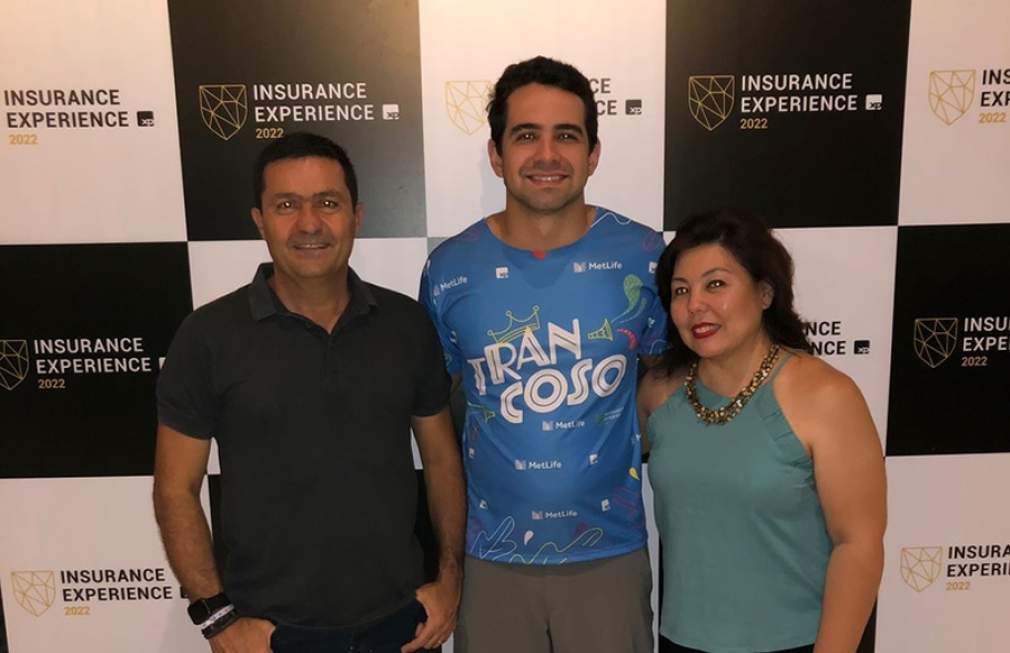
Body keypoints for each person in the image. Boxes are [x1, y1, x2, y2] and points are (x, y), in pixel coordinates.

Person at [153, 132, 465, 653]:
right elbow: (175, 489)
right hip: (269, 636)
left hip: (402, 627)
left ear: (356, 216)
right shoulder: (207, 336)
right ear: (259, 220)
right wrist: (218, 620)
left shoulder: (406, 324)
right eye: (286, 205)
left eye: (327, 202)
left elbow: (441, 460)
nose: (309, 223)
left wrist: (451, 578)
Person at [419, 56, 667, 653]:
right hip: (490, 559)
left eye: (567, 135)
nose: (547, 154)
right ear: (497, 154)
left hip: (609, 552)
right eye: (527, 135)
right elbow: (435, 414)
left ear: (594, 153)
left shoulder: (645, 255)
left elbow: (669, 381)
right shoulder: (449, 268)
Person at [638, 209, 886, 653]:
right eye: (681, 290)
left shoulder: (827, 396)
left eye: (716, 284)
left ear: (765, 292)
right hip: (681, 642)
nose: (695, 305)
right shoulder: (658, 394)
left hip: (798, 644)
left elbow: (858, 545)